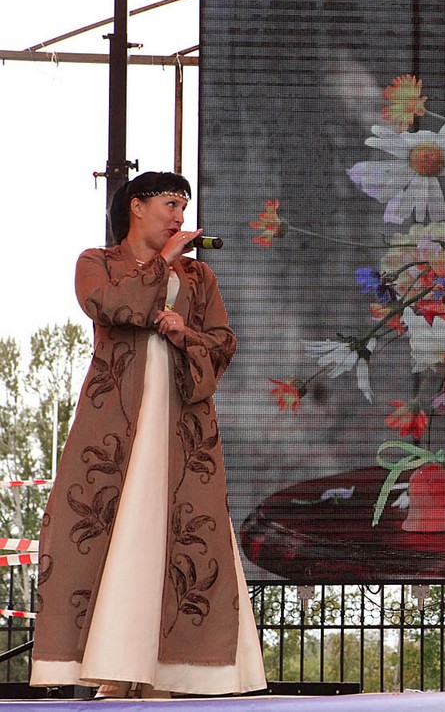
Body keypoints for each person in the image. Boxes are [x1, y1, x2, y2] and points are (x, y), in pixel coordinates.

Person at [30, 172, 266, 698]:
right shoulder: (97, 261)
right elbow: (107, 305)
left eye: (183, 206)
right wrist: (162, 262)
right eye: (170, 204)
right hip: (114, 422)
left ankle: (176, 671)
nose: (180, 216)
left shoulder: (199, 276)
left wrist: (186, 333)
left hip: (182, 424)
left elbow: (223, 343)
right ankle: (113, 669)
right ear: (137, 206)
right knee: (112, 526)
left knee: (181, 530)